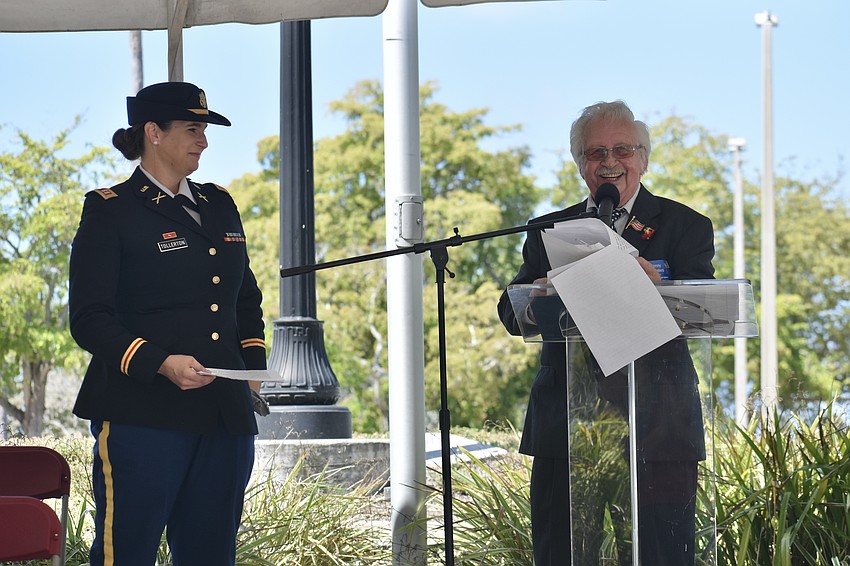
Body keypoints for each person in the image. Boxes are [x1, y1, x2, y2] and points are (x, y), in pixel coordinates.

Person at [497, 100, 715, 565]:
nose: (610, 162)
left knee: (662, 555)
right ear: (581, 165)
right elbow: (511, 313)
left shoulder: (686, 226)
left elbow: (705, 309)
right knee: (561, 553)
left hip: (660, 423)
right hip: (567, 424)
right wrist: (538, 292)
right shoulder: (549, 230)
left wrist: (664, 289)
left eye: (622, 150)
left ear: (643, 158)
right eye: (596, 153)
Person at [69, 81, 269, 565]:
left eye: (204, 130)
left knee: (210, 554)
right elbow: (89, 320)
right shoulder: (110, 209)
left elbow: (245, 296)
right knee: (128, 554)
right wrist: (160, 363)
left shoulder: (220, 203)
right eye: (194, 128)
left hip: (225, 415)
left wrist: (253, 366)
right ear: (153, 133)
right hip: (143, 414)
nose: (203, 140)